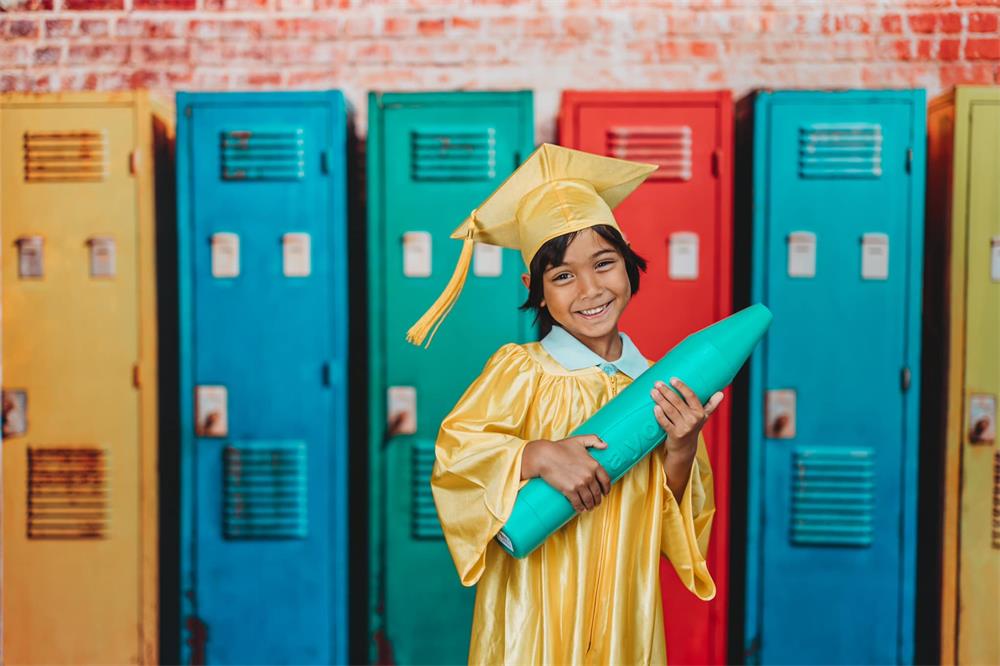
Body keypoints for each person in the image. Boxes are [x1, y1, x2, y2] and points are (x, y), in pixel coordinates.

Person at [408, 144, 720, 665]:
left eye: (604, 264)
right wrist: (536, 455)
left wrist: (682, 445)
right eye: (563, 276)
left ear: (627, 262)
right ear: (535, 288)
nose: (591, 289)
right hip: (532, 605)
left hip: (625, 602)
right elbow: (455, 456)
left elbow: (673, 518)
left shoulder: (653, 385)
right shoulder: (522, 370)